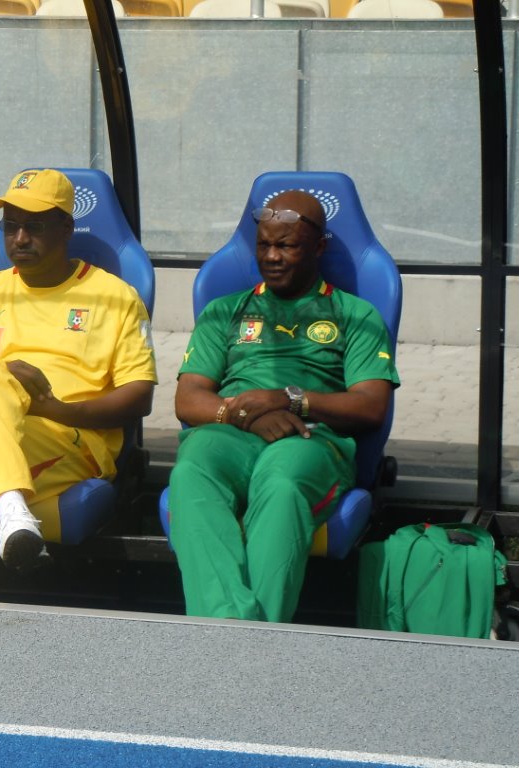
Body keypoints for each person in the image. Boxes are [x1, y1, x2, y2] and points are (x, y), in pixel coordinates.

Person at [0, 169, 158, 600]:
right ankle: (11, 505)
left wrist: (56, 408)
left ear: (67, 228)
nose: (20, 238)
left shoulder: (114, 297)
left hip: (64, 434)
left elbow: (139, 396)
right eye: (11, 226)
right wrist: (0, 380)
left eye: (34, 226)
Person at [168, 190, 399, 623]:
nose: (271, 257)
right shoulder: (225, 311)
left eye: (286, 246)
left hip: (312, 437)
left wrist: (291, 400)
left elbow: (370, 406)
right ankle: (235, 630)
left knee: (282, 482)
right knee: (191, 468)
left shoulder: (355, 314)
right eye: (263, 245)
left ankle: (246, 635)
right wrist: (242, 415)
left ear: (318, 248)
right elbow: (189, 397)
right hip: (233, 430)